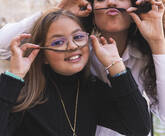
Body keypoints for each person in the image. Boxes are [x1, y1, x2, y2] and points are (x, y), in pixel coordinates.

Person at [0, 0, 165, 136]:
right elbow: (3, 46)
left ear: (135, 9)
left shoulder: (141, 57)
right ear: (91, 12)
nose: (111, 2)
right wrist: (59, 10)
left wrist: (157, 42)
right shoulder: (81, 53)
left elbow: (143, 125)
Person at [0, 9, 151, 136]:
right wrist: (15, 76)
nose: (72, 46)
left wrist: (116, 66)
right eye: (58, 42)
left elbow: (140, 128)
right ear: (43, 55)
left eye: (78, 37)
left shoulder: (93, 90)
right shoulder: (19, 91)